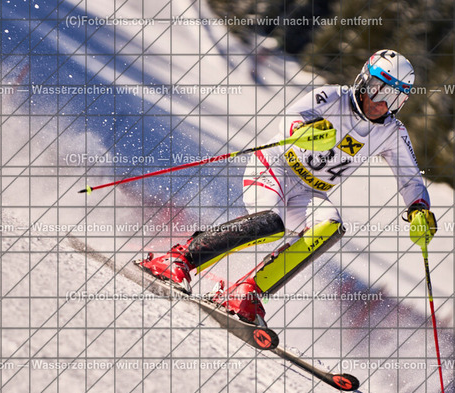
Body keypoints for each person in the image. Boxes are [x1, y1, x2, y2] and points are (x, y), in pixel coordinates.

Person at [139, 49, 437, 326]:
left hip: (308, 192)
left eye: (393, 98)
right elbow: (290, 118)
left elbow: (410, 178)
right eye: (376, 89)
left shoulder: (392, 133)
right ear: (363, 80)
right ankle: (180, 258)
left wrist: (419, 209)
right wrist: (304, 132)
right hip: (275, 168)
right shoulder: (333, 96)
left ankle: (247, 290)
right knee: (273, 223)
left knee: (330, 225)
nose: (380, 103)